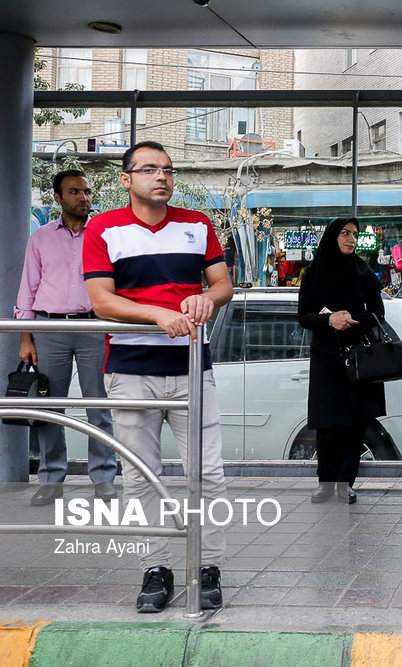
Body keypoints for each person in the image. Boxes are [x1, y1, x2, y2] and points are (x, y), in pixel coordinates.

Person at [83, 141, 233, 614]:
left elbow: (222, 283)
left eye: (167, 169)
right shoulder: (103, 228)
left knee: (206, 474)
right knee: (140, 477)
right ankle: (157, 569)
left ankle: (207, 568)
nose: (161, 177)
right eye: (149, 169)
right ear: (126, 180)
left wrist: (208, 299)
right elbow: (102, 301)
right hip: (131, 372)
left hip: (191, 367)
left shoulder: (197, 224)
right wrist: (156, 314)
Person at [15, 170, 116, 506]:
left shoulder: (103, 236)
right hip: (50, 329)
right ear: (57, 198)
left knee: (98, 407)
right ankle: (51, 480)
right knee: (50, 408)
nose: (84, 198)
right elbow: (27, 289)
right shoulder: (41, 238)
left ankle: (103, 477)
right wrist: (25, 337)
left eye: (87, 192)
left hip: (93, 327)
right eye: (75, 192)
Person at [297, 217, 386, 505]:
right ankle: (326, 482)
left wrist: (350, 318)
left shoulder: (363, 272)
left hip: (359, 357)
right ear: (333, 236)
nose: (351, 239)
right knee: (327, 422)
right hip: (326, 358)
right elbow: (304, 316)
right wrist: (328, 320)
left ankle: (346, 482)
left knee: (354, 421)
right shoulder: (313, 274)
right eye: (345, 233)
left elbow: (377, 314)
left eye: (355, 234)